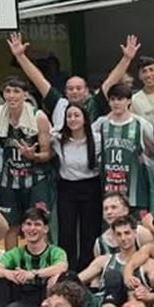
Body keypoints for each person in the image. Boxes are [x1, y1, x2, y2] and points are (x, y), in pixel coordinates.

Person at [0, 77, 55, 247]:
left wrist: (33, 156)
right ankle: (11, 267)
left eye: (16, 91)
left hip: (35, 181)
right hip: (9, 181)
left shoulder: (38, 117)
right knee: (10, 227)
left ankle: (41, 266)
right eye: (8, 91)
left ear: (25, 95)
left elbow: (47, 153)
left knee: (38, 225)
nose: (11, 95)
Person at [0, 207, 69, 307]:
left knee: (61, 277)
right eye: (28, 224)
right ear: (22, 228)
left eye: (37, 224)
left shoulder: (56, 251)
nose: (32, 228)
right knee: (0, 280)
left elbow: (62, 267)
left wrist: (33, 274)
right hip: (22, 296)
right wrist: (8, 273)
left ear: (46, 229)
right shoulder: (16, 253)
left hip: (47, 294)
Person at [92, 83, 154, 215]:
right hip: (109, 186)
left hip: (135, 188)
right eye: (112, 99)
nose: (116, 103)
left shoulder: (140, 124)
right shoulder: (101, 124)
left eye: (120, 99)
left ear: (129, 101)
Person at [52, 101, 102, 272]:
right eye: (69, 116)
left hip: (91, 186)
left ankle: (87, 272)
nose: (72, 119)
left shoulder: (96, 139)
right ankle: (67, 270)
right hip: (67, 187)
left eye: (76, 115)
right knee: (67, 231)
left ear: (85, 119)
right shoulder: (58, 139)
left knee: (90, 232)